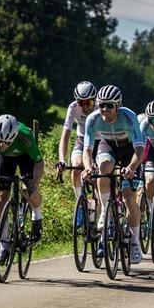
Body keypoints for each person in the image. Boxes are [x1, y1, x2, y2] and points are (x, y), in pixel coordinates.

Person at [81, 85, 145, 263]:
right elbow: (87, 150)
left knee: (129, 198)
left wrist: (132, 167)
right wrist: (87, 168)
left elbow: (139, 150)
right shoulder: (93, 119)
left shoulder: (129, 117)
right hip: (108, 145)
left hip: (129, 151)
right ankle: (104, 213)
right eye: (101, 105)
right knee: (103, 169)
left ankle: (134, 243)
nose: (105, 110)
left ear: (118, 106)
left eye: (109, 106)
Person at [0, 114, 45, 261]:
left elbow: (39, 162)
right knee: (1, 199)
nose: (2, 145)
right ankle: (3, 245)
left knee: (28, 190)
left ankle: (37, 216)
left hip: (25, 157)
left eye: (6, 142)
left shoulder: (25, 137)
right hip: (4, 159)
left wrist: (34, 185)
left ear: (14, 136)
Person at [56, 82, 98, 216]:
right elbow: (65, 136)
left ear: (95, 100)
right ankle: (80, 204)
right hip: (82, 140)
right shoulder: (73, 107)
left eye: (89, 102)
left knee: (99, 176)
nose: (85, 106)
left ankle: (99, 208)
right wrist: (62, 160)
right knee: (76, 167)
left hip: (100, 141)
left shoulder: (100, 107)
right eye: (81, 103)